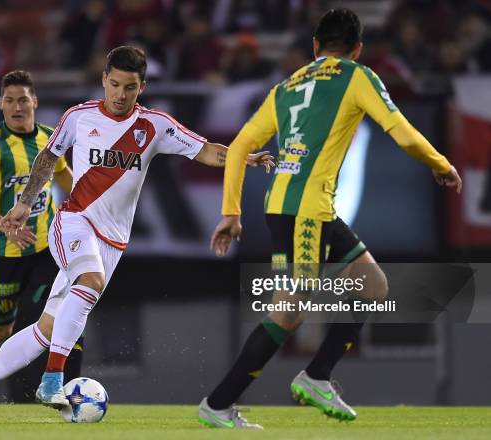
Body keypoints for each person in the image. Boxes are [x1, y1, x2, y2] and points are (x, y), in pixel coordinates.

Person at [0, 46, 274, 423]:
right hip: (74, 220)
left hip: (112, 241)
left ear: (143, 87)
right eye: (115, 84)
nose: (120, 95)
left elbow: (204, 150)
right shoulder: (79, 116)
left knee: (45, 329)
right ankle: (52, 380)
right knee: (89, 282)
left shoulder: (155, 126)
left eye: (130, 88)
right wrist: (25, 202)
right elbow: (48, 158)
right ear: (104, 79)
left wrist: (241, 157)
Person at [198, 8, 462, 429]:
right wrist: (441, 163)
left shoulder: (286, 87)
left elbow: (241, 144)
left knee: (373, 284)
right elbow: (401, 131)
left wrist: (231, 211)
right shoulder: (356, 76)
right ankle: (218, 403)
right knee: (288, 312)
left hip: (292, 208)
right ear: (357, 49)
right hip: (305, 212)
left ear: (315, 46)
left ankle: (317, 375)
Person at [0, 70, 84, 389]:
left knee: (53, 312)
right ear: (1, 105)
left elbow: (64, 176)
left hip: (45, 248)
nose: (17, 107)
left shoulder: (49, 138)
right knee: (0, 329)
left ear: (35, 102)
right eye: (10, 101)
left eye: (23, 100)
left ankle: (64, 387)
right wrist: (4, 224)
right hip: (4, 253)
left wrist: (91, 205)